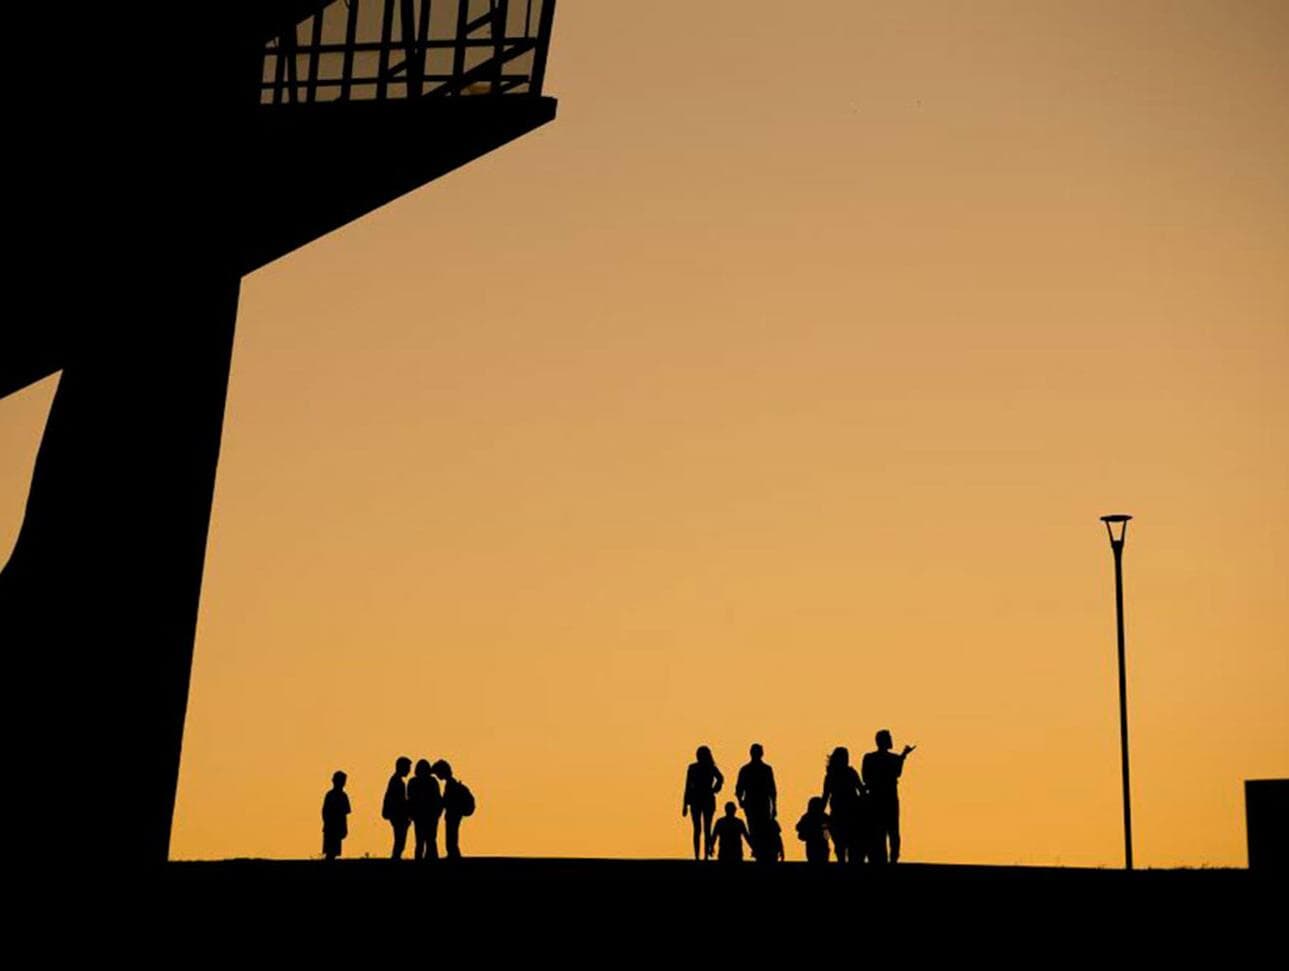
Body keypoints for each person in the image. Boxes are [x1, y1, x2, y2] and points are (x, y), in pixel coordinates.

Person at [862, 730, 915, 864]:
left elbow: (866, 777)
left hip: (876, 798)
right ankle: (892, 860)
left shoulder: (869, 757)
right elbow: (897, 772)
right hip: (888, 798)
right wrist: (903, 756)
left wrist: (903, 755)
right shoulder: (891, 758)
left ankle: (884, 860)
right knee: (892, 830)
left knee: (880, 831)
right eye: (889, 738)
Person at [821, 746, 865, 863]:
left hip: (845, 812)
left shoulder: (833, 775)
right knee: (846, 844)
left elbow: (825, 796)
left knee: (843, 844)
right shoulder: (847, 773)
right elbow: (861, 790)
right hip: (844, 813)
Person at [734, 743, 777, 861]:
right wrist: (740, 800)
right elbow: (739, 788)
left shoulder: (756, 769)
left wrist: (740, 800)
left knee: (758, 828)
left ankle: (759, 851)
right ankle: (758, 851)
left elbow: (772, 789)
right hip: (755, 803)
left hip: (758, 803)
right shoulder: (762, 769)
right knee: (756, 828)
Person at [682, 745, 725, 860]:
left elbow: (721, 778)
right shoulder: (696, 767)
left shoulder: (709, 767)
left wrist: (715, 789)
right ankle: (698, 855)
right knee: (700, 829)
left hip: (704, 799)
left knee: (704, 829)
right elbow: (687, 786)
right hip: (699, 799)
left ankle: (703, 855)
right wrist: (685, 804)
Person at [433, 759, 475, 859]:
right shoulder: (452, 783)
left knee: (451, 835)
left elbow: (447, 801)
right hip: (456, 813)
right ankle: (453, 854)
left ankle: (453, 855)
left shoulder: (450, 784)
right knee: (452, 835)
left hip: (453, 813)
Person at [407, 758, 443, 860]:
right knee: (430, 840)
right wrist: (437, 814)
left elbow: (410, 800)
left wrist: (411, 814)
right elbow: (437, 799)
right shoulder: (432, 782)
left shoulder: (413, 782)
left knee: (420, 842)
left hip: (420, 817)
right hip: (430, 816)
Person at [382, 756, 412, 859]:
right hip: (398, 815)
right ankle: (395, 859)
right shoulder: (397, 782)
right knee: (400, 840)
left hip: (396, 815)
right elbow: (400, 802)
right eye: (408, 767)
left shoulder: (395, 781)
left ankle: (396, 858)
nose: (409, 770)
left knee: (399, 840)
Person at [321, 770, 351, 860]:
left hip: (334, 827)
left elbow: (345, 813)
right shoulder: (336, 795)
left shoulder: (338, 795)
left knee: (332, 852)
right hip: (332, 827)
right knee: (331, 852)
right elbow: (325, 812)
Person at [796, 796, 830, 864]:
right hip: (819, 843)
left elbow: (798, 827)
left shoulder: (807, 816)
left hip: (815, 843)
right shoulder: (823, 816)